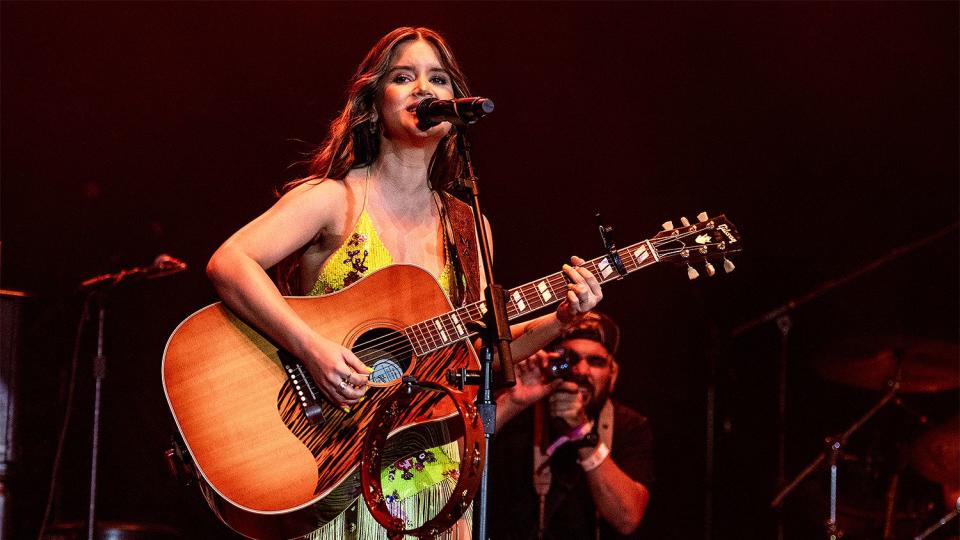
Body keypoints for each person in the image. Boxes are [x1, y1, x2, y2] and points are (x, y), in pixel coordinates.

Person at [205, 27, 603, 539]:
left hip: (430, 477)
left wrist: (563, 317)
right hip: (332, 461)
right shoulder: (332, 199)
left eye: (438, 78)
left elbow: (478, 353)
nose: (424, 89)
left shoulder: (469, 227)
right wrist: (314, 350)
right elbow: (229, 262)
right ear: (373, 103)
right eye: (403, 76)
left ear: (455, 109)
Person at [489, 311, 653, 539]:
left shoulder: (629, 425)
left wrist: (582, 431)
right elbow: (457, 452)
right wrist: (512, 401)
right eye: (571, 358)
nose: (581, 370)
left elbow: (628, 518)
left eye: (595, 361)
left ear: (613, 374)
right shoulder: (521, 413)